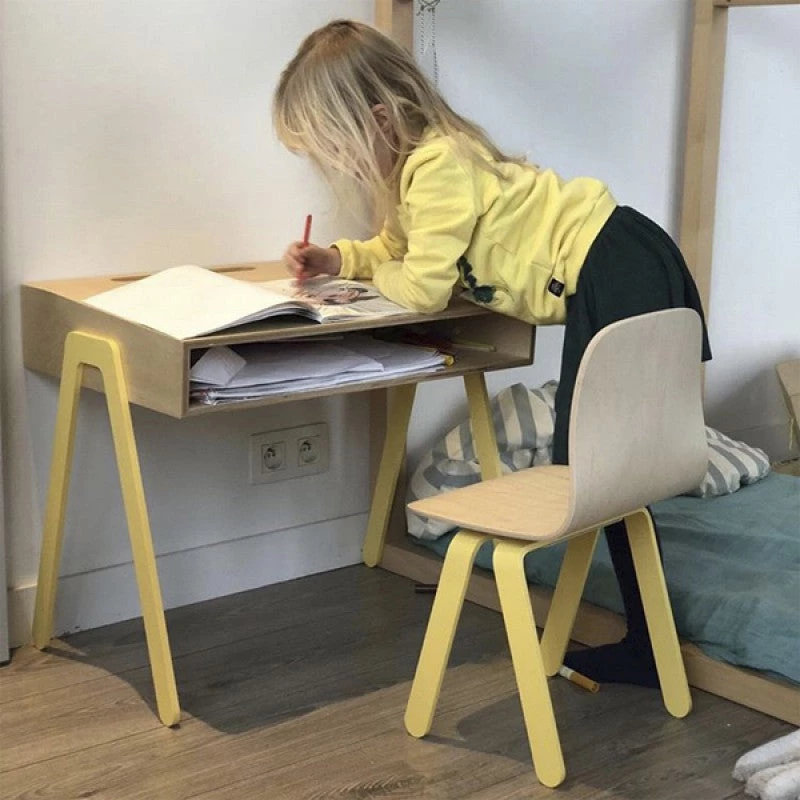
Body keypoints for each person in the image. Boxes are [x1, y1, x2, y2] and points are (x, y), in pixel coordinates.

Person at [273, 19, 711, 688]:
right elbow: (399, 252)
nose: (336, 168)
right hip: (621, 256)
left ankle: (649, 644)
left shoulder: (439, 164)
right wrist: (338, 260)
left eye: (336, 149)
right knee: (609, 461)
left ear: (381, 118)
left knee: (604, 462)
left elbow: (421, 286)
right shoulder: (421, 172)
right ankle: (649, 644)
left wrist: (377, 278)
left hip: (615, 261)